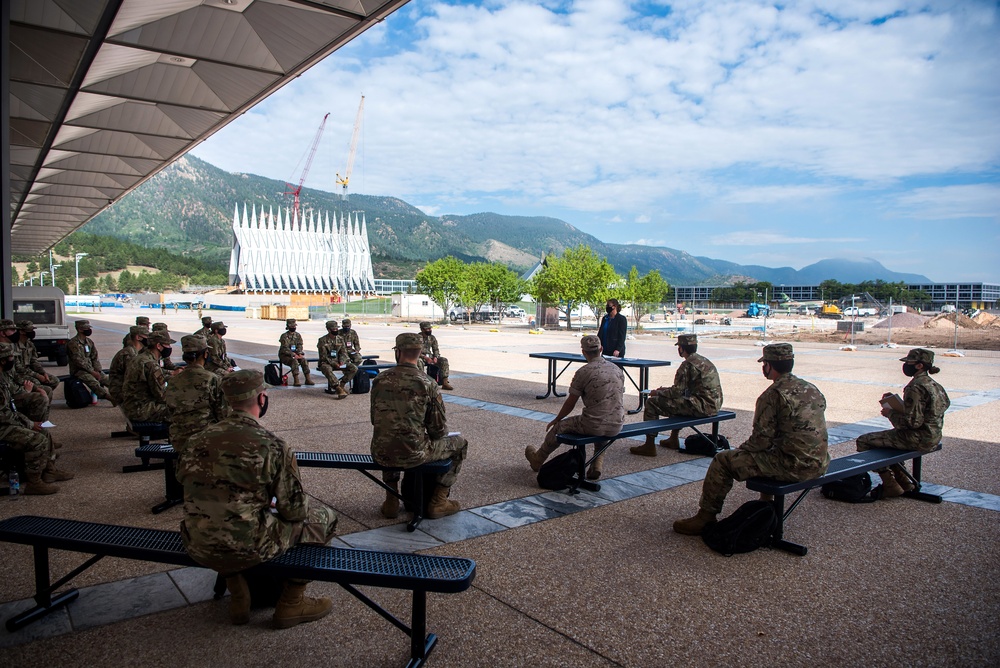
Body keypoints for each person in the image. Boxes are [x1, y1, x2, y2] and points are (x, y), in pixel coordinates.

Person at [178, 369, 338, 628]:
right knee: (324, 518)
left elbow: (190, 484)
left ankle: (238, 591)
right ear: (261, 399)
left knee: (223, 517)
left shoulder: (195, 440)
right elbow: (295, 511)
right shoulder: (271, 445)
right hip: (248, 545)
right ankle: (292, 603)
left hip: (198, 542)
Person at [673, 343, 830, 535]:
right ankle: (765, 503)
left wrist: (740, 450)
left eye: (764, 364)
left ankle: (706, 516)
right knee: (768, 453)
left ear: (769, 366)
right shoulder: (811, 388)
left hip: (793, 466)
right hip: (819, 463)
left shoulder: (772, 395)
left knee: (723, 460)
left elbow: (760, 441)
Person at [370, 333, 468, 519]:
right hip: (415, 454)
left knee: (389, 435)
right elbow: (438, 430)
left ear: (398, 352)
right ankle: (438, 501)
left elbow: (375, 420)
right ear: (419, 353)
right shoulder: (427, 383)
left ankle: (391, 500)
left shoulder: (379, 380)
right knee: (461, 444)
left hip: (380, 451)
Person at [525, 335, 624, 480]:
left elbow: (570, 403)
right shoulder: (617, 370)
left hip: (593, 424)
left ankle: (538, 459)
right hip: (617, 423)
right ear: (601, 349)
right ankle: (597, 464)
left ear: (583, 352)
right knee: (603, 422)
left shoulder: (583, 372)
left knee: (561, 427)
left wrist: (557, 420)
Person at [856, 348, 950, 497]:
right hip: (933, 435)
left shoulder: (915, 387)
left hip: (917, 438)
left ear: (919, 365)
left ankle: (890, 484)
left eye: (909, 362)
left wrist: (890, 413)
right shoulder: (934, 385)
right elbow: (929, 410)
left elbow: (912, 422)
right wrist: (897, 403)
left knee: (864, 441)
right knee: (886, 441)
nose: (906, 366)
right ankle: (904, 482)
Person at [629, 333, 723, 456]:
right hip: (714, 405)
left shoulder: (687, 365)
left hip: (701, 407)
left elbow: (676, 392)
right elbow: (685, 389)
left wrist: (657, 392)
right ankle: (673, 439)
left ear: (681, 348)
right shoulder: (704, 361)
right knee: (678, 401)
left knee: (652, 402)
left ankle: (649, 445)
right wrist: (665, 391)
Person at [0, 343, 71, 495]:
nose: (13, 360)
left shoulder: (3, 378)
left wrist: (30, 423)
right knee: (36, 439)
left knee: (43, 432)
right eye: (11, 357)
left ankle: (50, 470)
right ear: (2, 361)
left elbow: (9, 408)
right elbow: (4, 415)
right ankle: (34, 482)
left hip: (7, 421)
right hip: (2, 426)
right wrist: (29, 424)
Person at [165, 335, 230, 456]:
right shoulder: (211, 379)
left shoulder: (174, 380)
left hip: (179, 439)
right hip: (205, 438)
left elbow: (169, 411)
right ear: (205, 354)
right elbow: (222, 414)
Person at [0, 319, 50, 422]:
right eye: (12, 330)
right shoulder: (3, 351)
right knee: (39, 398)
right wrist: (25, 390)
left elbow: (14, 374)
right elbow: (5, 384)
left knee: (44, 390)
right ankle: (31, 426)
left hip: (14, 387)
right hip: (7, 394)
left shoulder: (10, 347)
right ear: (2, 333)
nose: (15, 333)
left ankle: (40, 424)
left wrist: (36, 387)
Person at [122, 330, 174, 423]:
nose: (169, 348)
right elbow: (162, 396)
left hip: (132, 405)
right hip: (141, 410)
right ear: (158, 346)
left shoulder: (140, 358)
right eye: (167, 345)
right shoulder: (151, 364)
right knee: (182, 409)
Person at [67, 319, 113, 403]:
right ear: (80, 329)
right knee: (93, 382)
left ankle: (122, 396)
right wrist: (92, 372)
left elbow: (94, 357)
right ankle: (109, 398)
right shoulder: (73, 343)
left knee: (108, 381)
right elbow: (78, 361)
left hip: (92, 369)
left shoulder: (89, 342)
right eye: (86, 328)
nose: (89, 330)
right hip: (79, 370)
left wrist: (97, 370)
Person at [13, 320, 60, 399]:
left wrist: (42, 373)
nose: (32, 332)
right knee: (36, 382)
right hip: (19, 373)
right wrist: (37, 376)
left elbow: (34, 361)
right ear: (21, 331)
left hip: (30, 372)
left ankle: (43, 400)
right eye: (29, 330)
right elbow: (18, 367)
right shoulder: (14, 345)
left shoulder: (29, 344)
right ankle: (35, 399)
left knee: (54, 380)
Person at [108, 325, 148, 407]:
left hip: (125, 387)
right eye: (146, 336)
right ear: (138, 337)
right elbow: (135, 377)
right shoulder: (129, 354)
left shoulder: (137, 351)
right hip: (120, 390)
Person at [317, 321, 352, 399]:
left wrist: (342, 361)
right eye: (334, 329)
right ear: (329, 330)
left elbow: (344, 352)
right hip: (326, 362)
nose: (336, 330)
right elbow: (323, 356)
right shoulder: (322, 340)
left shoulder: (340, 339)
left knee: (353, 368)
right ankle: (338, 388)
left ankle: (342, 384)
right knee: (327, 368)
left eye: (337, 328)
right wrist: (334, 363)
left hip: (339, 362)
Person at [278, 318, 314, 386]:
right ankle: (296, 379)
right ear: (288, 327)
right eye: (292, 326)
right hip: (285, 356)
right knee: (294, 361)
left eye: (294, 326)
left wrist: (300, 353)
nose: (293, 328)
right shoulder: (284, 336)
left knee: (304, 360)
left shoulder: (297, 335)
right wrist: (293, 355)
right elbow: (285, 348)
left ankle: (308, 379)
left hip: (296, 354)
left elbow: (300, 345)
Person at [418, 321, 453, 390]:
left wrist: (435, 357)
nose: (429, 330)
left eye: (430, 328)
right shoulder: (417, 338)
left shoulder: (432, 338)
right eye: (427, 329)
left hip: (430, 356)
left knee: (444, 360)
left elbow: (436, 349)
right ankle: (422, 384)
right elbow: (415, 351)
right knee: (419, 362)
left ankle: (445, 383)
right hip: (420, 357)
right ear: (422, 329)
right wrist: (425, 357)